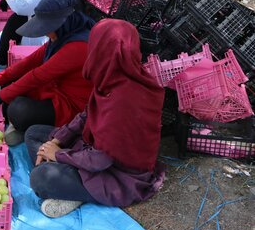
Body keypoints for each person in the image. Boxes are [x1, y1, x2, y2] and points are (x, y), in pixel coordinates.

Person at [24, 19, 166, 218]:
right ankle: (70, 183)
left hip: (117, 173)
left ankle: (79, 191)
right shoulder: (115, 75)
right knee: (34, 133)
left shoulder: (126, 99)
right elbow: (86, 114)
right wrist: (57, 141)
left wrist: (58, 155)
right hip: (89, 149)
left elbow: (103, 159)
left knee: (41, 178)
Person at [0, 0, 95, 146]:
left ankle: (48, 130)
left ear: (62, 24)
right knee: (10, 88)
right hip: (56, 90)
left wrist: (0, 96)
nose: (45, 32)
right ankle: (24, 123)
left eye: (48, 28)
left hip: (75, 108)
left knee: (18, 110)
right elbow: (30, 61)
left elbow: (38, 76)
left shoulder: (78, 46)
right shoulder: (63, 36)